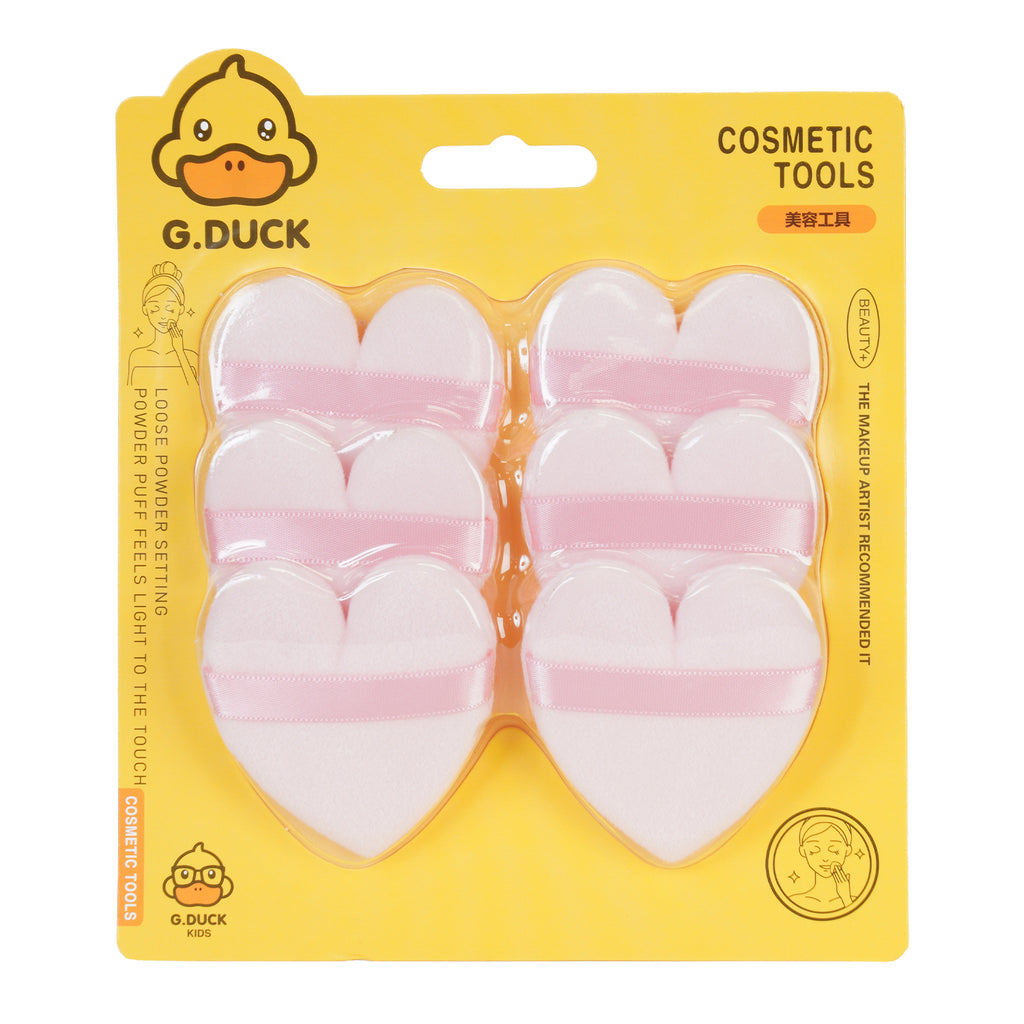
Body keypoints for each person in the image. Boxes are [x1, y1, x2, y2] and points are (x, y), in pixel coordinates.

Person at [127, 262, 198, 386]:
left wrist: (179, 351)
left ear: (181, 309)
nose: (163, 316)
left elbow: (197, 391)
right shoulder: (137, 356)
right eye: (155, 309)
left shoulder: (191, 357)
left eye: (170, 309)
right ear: (145, 309)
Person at [790, 816, 856, 911]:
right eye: (815, 849)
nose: (825, 858)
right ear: (802, 850)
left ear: (847, 850)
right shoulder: (795, 900)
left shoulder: (852, 901)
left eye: (834, 850)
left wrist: (846, 898)